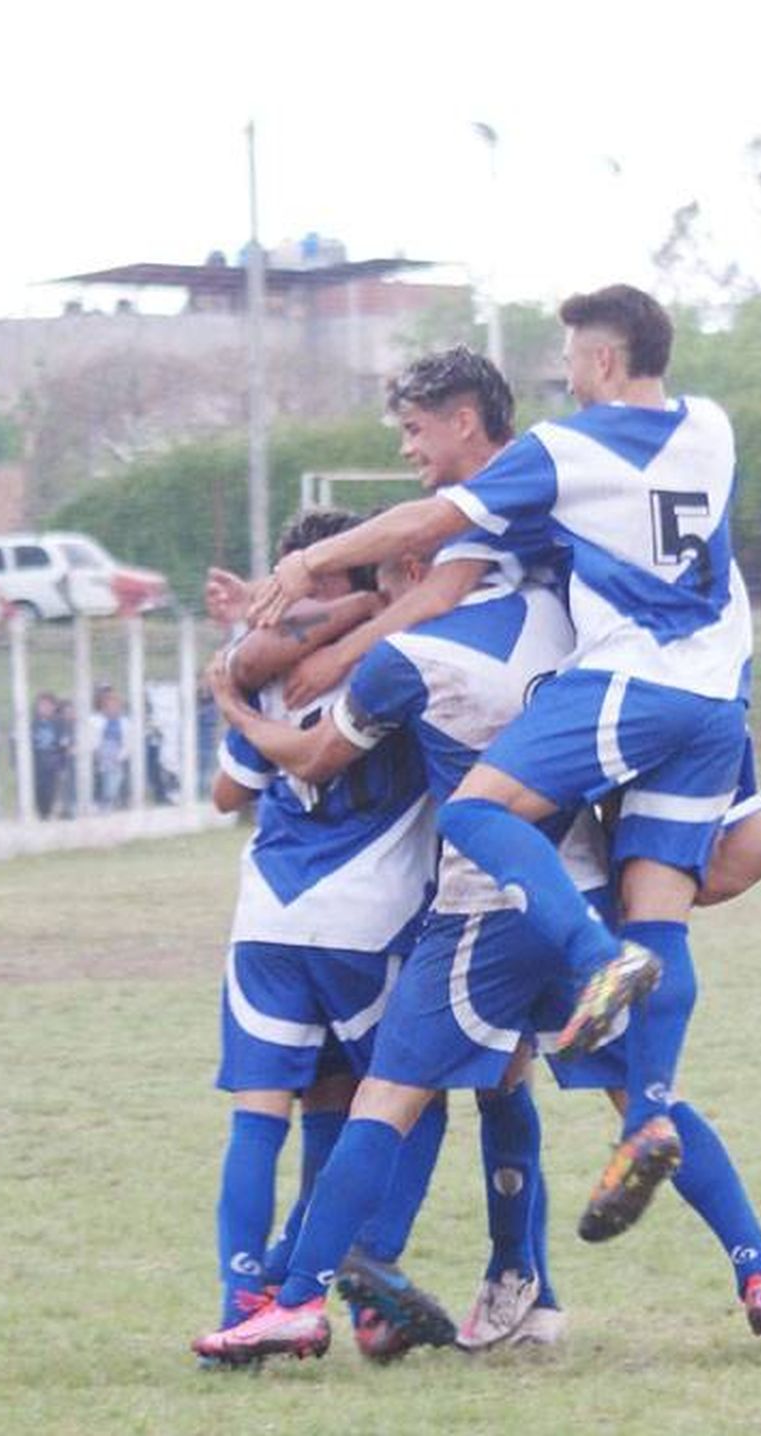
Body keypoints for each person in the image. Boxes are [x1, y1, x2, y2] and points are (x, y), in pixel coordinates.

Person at [246, 286, 761, 1249]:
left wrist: (311, 588)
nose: (409, 450)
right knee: (694, 884)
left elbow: (432, 567)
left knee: (488, 821)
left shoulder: (553, 457)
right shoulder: (709, 426)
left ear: (597, 363)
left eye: (417, 431)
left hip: (627, 691)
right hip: (713, 685)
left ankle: (603, 1008)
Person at [188, 508, 449, 1367]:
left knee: (264, 1116)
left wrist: (240, 667)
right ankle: (341, 1276)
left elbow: (229, 795)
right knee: (402, 1104)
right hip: (367, 921)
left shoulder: (269, 677)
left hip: (267, 916)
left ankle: (243, 1298)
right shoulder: (403, 661)